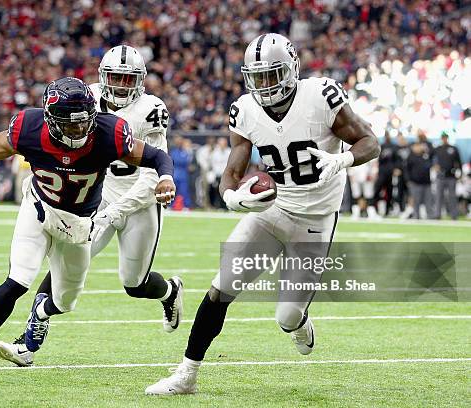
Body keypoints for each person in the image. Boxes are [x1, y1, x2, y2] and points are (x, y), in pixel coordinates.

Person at [145, 33, 379, 395]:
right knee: (221, 288)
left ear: (292, 69)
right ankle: (186, 374)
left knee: (286, 317)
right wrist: (230, 197)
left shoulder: (320, 95)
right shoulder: (245, 110)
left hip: (315, 219)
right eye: (259, 76)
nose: (266, 84)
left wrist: (342, 159)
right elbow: (233, 171)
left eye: (273, 74)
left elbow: (370, 141)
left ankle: (299, 323)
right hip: (274, 210)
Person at [0, 77, 176, 385]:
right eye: (69, 124)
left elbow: (156, 156)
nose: (77, 130)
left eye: (83, 122)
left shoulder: (108, 132)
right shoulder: (29, 128)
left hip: (78, 224)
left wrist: (165, 178)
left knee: (65, 301)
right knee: (18, 280)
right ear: (50, 117)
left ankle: (42, 313)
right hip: (38, 209)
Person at [0, 46, 183, 367]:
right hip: (99, 196)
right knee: (64, 259)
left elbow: (152, 171)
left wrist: (117, 210)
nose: (121, 85)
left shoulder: (151, 109)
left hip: (139, 201)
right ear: (102, 77)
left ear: (140, 81)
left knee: (134, 284)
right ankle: (29, 342)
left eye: (128, 78)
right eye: (115, 77)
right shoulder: (85, 98)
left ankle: (169, 291)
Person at [433, 133, 461, 219]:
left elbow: (458, 162)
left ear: (447, 138)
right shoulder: (438, 149)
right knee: (439, 196)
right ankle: (437, 214)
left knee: (452, 196)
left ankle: (454, 215)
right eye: (443, 138)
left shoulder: (453, 148)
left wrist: (460, 174)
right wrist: (435, 165)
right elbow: (433, 159)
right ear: (441, 138)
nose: (444, 139)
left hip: (451, 175)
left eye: (445, 138)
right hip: (440, 176)